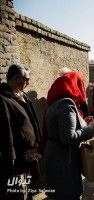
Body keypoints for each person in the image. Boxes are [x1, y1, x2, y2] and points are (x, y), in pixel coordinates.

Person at [44, 71, 94, 200]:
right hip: (64, 160)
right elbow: (68, 137)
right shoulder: (66, 103)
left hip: (57, 156)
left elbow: (64, 127)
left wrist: (83, 122)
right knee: (68, 194)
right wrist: (89, 129)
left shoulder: (56, 102)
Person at [0, 64, 41, 199]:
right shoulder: (4, 99)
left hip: (28, 156)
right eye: (26, 79)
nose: (28, 83)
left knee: (27, 190)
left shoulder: (21, 96)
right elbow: (5, 131)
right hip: (18, 159)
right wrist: (10, 158)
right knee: (18, 193)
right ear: (17, 78)